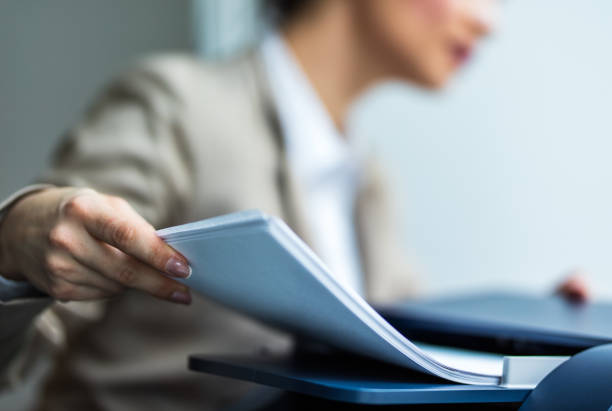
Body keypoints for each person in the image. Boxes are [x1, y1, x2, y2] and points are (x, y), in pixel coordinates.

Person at [0, 0, 587, 409]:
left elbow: (400, 360)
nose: (488, 21)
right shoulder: (177, 109)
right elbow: (35, 320)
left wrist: (538, 335)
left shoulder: (368, 179)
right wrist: (12, 240)